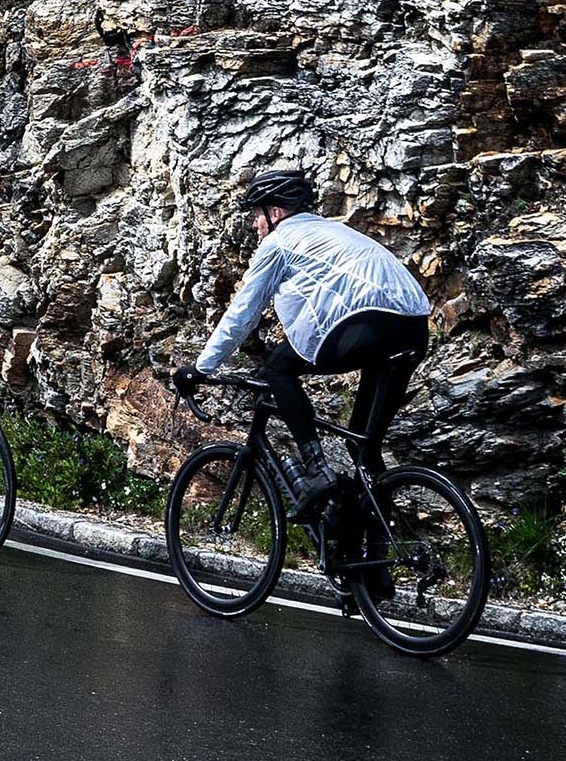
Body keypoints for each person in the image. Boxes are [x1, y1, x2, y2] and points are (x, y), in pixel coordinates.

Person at [177, 167, 430, 519]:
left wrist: (201, 368)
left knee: (278, 368)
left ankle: (316, 470)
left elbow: (243, 312)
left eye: (256, 215)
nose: (255, 225)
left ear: (275, 212)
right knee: (362, 446)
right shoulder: (334, 231)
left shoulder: (279, 242)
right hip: (415, 326)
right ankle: (373, 561)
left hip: (367, 324)